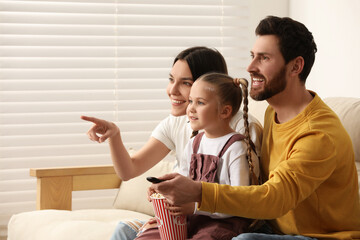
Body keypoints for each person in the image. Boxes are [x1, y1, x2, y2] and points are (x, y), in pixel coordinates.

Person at [149, 16, 360, 240]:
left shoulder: (319, 134)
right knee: (131, 230)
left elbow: (275, 198)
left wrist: (198, 192)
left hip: (319, 237)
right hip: (269, 228)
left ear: (296, 66)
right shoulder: (273, 112)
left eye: (264, 58)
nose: (250, 67)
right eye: (252, 56)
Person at [81, 46, 263, 239]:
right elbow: (129, 170)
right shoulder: (179, 124)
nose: (172, 90)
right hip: (188, 216)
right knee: (126, 230)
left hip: (220, 222)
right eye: (171, 80)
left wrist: (192, 207)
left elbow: (242, 198)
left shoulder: (240, 130)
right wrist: (114, 136)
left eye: (185, 83)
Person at [136, 73, 260, 240]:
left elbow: (240, 202)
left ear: (225, 111)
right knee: (148, 235)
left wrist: (195, 207)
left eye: (200, 102)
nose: (191, 108)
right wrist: (163, 186)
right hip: (192, 218)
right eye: (191, 101)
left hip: (223, 224)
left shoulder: (236, 148)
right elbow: (184, 180)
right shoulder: (195, 142)